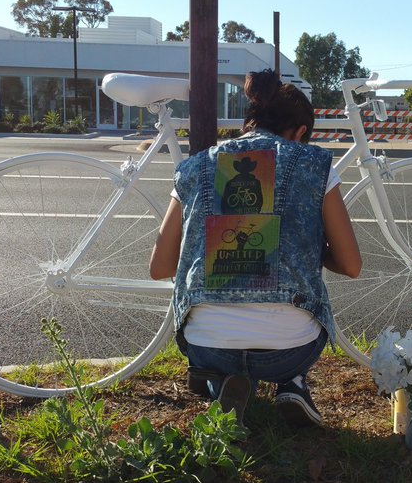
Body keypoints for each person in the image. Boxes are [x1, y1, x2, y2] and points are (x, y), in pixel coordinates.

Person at [150, 69, 362, 429]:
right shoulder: (313, 164)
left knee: (220, 352)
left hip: (207, 345)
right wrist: (313, 248)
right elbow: (352, 264)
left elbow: (159, 267)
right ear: (301, 134)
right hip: (290, 349)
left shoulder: (195, 167)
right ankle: (292, 382)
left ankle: (222, 385)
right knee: (306, 327)